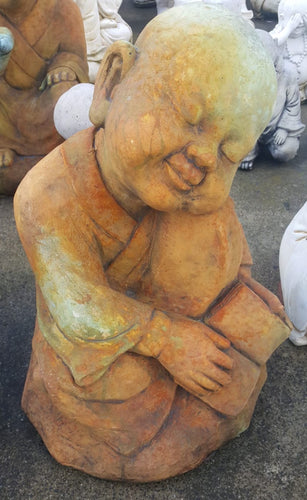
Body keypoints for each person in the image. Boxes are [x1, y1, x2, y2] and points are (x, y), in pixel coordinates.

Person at [15, 4, 290, 482]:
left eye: (230, 152)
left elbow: (234, 266)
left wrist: (239, 308)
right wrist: (168, 339)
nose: (204, 157)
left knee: (232, 336)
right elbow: (78, 308)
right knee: (123, 388)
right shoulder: (48, 195)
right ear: (114, 81)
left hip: (179, 326)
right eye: (190, 115)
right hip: (101, 350)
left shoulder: (195, 200)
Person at [0, 0, 88, 195]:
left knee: (66, 95)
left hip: (44, 99)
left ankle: (59, 153)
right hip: (5, 103)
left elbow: (75, 54)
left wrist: (65, 66)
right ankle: (4, 147)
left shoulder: (61, 6)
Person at [240, 30, 305, 170]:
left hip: (277, 126)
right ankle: (251, 150)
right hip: (251, 130)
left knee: (286, 151)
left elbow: (293, 104)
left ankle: (274, 140)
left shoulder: (288, 73)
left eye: (273, 65)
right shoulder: (241, 77)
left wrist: (284, 128)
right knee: (239, 148)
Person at [74, 0, 132, 83]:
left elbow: (110, 12)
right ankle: (93, 61)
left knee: (123, 33)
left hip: (100, 29)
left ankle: (99, 63)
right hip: (82, 38)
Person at [270, 0, 307, 101]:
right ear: (282, 18)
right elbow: (270, 44)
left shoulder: (304, 36)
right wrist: (288, 29)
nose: (299, 22)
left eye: (303, 17)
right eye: (294, 18)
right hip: (283, 86)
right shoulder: (278, 35)